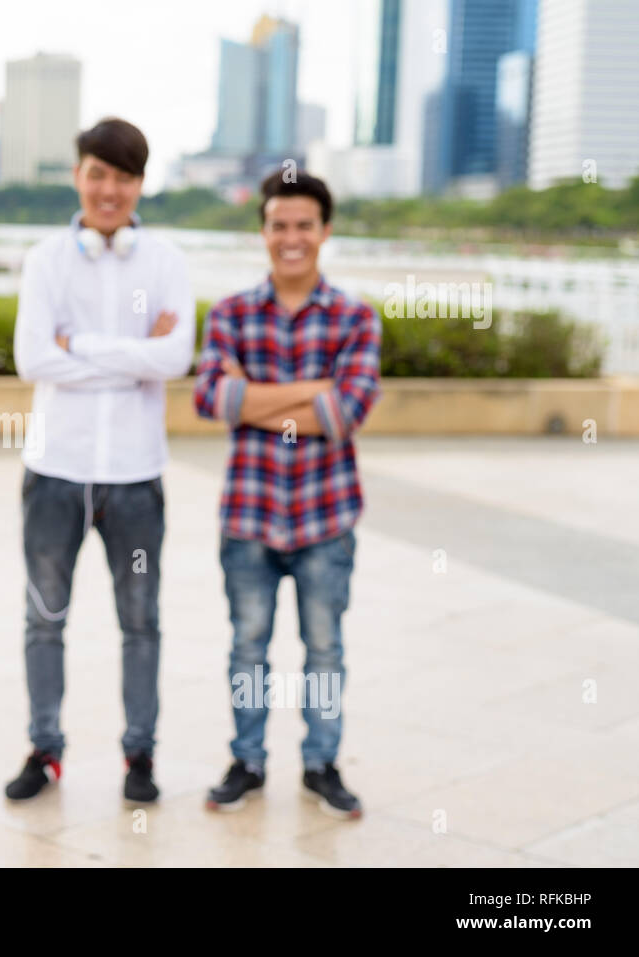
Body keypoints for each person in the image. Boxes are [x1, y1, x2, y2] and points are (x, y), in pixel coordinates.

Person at [6, 118, 195, 804]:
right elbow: (33, 359)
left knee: (141, 621)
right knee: (44, 618)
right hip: (56, 470)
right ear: (78, 175)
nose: (109, 190)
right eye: (97, 174)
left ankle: (139, 755)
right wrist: (135, 357)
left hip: (136, 477)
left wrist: (79, 346)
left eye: (123, 177)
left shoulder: (167, 261)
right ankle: (44, 749)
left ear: (140, 184)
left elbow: (176, 358)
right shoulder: (46, 259)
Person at [192, 169, 380, 819]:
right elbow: (211, 398)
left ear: (325, 231)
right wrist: (311, 391)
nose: (291, 237)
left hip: (327, 517)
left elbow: (346, 412)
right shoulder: (231, 313)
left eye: (304, 225)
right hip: (250, 514)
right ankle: (247, 760)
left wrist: (253, 398)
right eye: (279, 225)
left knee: (324, 650)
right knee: (248, 647)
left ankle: (321, 762)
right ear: (263, 231)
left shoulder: (356, 316)